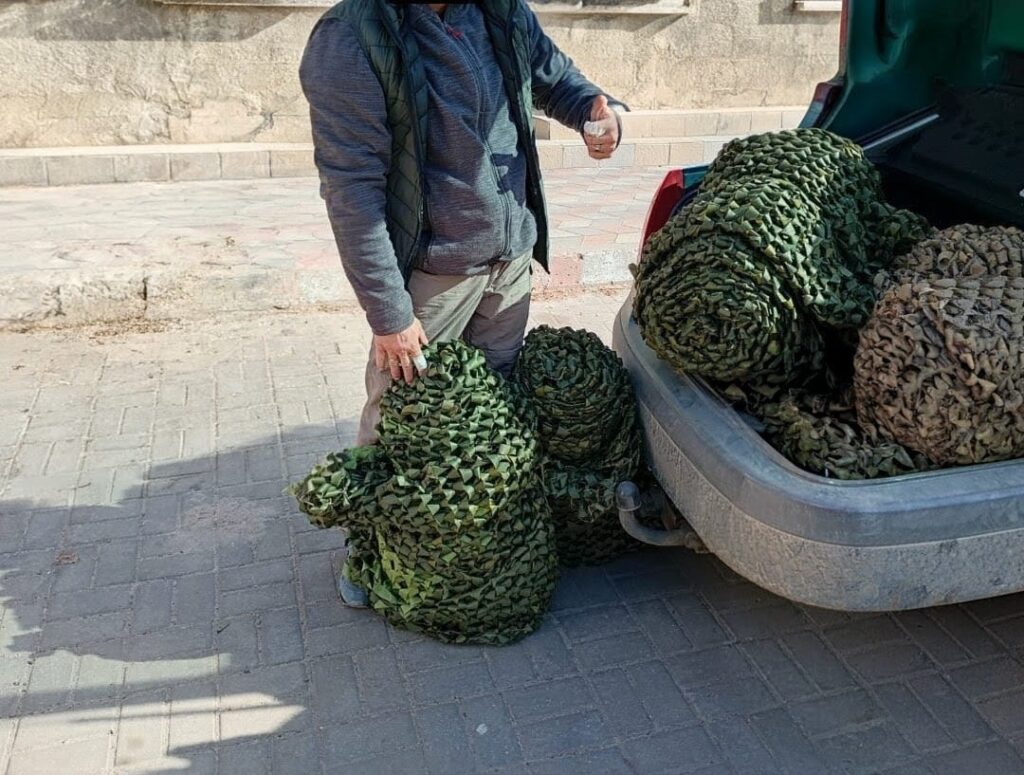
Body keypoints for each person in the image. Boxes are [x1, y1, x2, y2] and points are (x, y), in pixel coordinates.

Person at [300, 0, 627, 451]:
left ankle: (477, 519)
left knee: (491, 410)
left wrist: (597, 117)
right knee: (401, 421)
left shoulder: (501, 10)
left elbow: (556, 80)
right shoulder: (350, 36)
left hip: (508, 264)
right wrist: (389, 312)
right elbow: (352, 189)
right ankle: (379, 518)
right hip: (435, 277)